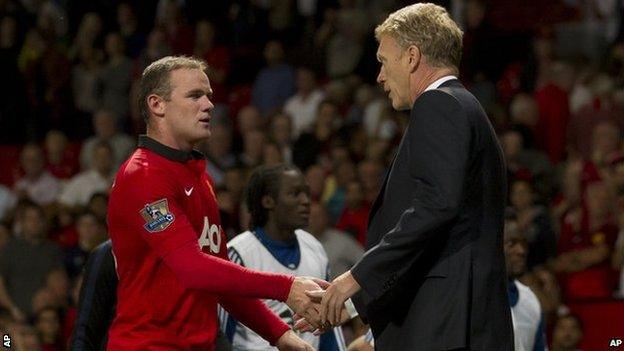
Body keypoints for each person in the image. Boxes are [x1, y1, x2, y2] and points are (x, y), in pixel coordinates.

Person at [308, 4, 513, 350]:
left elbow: (436, 207)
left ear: (412, 57)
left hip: (445, 325)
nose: (380, 77)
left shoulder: (439, 105)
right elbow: (441, 230)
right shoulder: (465, 107)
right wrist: (357, 302)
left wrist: (354, 280)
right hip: (457, 320)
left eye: (384, 61)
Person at [107, 55, 320, 350]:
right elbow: (192, 268)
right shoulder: (143, 175)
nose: (208, 105)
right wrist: (286, 287)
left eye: (208, 96)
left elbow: (219, 278)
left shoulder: (199, 177)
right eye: (195, 96)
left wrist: (280, 335)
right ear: (157, 105)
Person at [219, 164, 346, 351]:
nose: (305, 201)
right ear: (268, 201)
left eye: (305, 193)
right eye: (295, 194)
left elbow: (328, 326)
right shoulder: (238, 253)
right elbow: (221, 332)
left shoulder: (314, 247)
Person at [504, 217, 548, 351]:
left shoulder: (530, 301)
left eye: (524, 244)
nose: (521, 251)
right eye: (512, 243)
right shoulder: (471, 296)